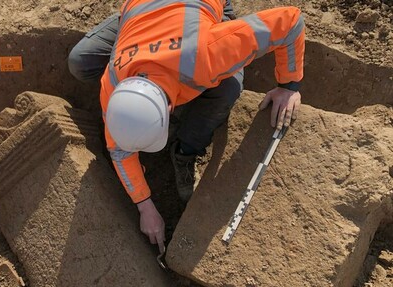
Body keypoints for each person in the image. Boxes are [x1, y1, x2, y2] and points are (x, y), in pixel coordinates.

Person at [68, 0, 305, 251]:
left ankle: (186, 152)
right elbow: (119, 151)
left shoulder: (208, 54)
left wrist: (288, 86)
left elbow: (290, 21)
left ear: (171, 110)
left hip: (200, 13)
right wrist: (145, 206)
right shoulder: (113, 80)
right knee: (80, 61)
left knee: (228, 89)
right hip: (143, 10)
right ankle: (133, 25)